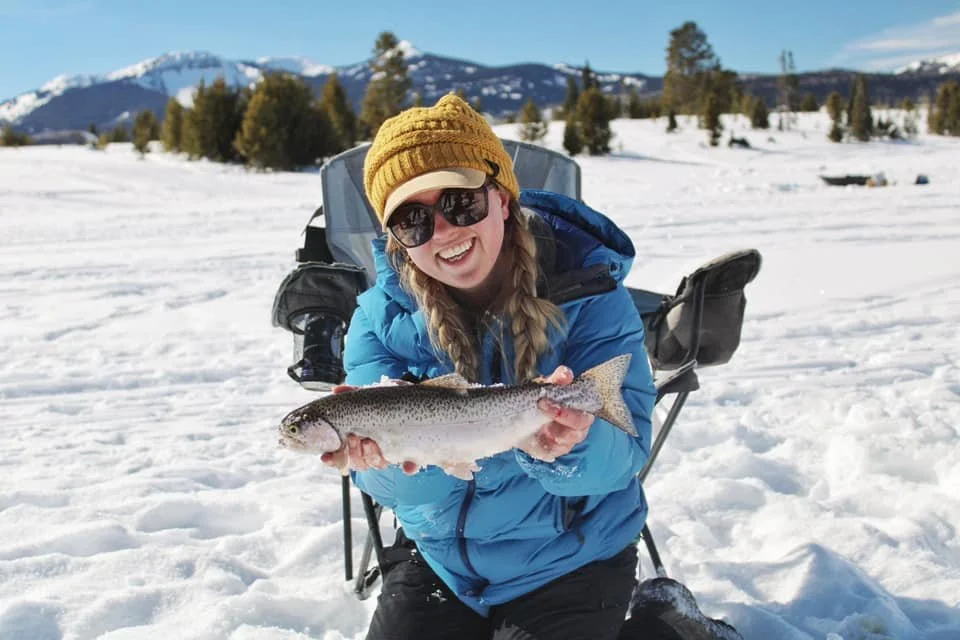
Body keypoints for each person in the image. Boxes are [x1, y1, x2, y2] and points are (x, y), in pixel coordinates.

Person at [322, 94, 657, 640]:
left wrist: (572, 448)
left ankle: (664, 626)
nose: (445, 232)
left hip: (573, 558)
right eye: (413, 220)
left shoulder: (589, 289)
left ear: (500, 198)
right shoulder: (376, 320)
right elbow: (404, 493)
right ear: (397, 242)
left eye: (459, 203)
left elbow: (621, 463)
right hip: (443, 564)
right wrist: (383, 463)